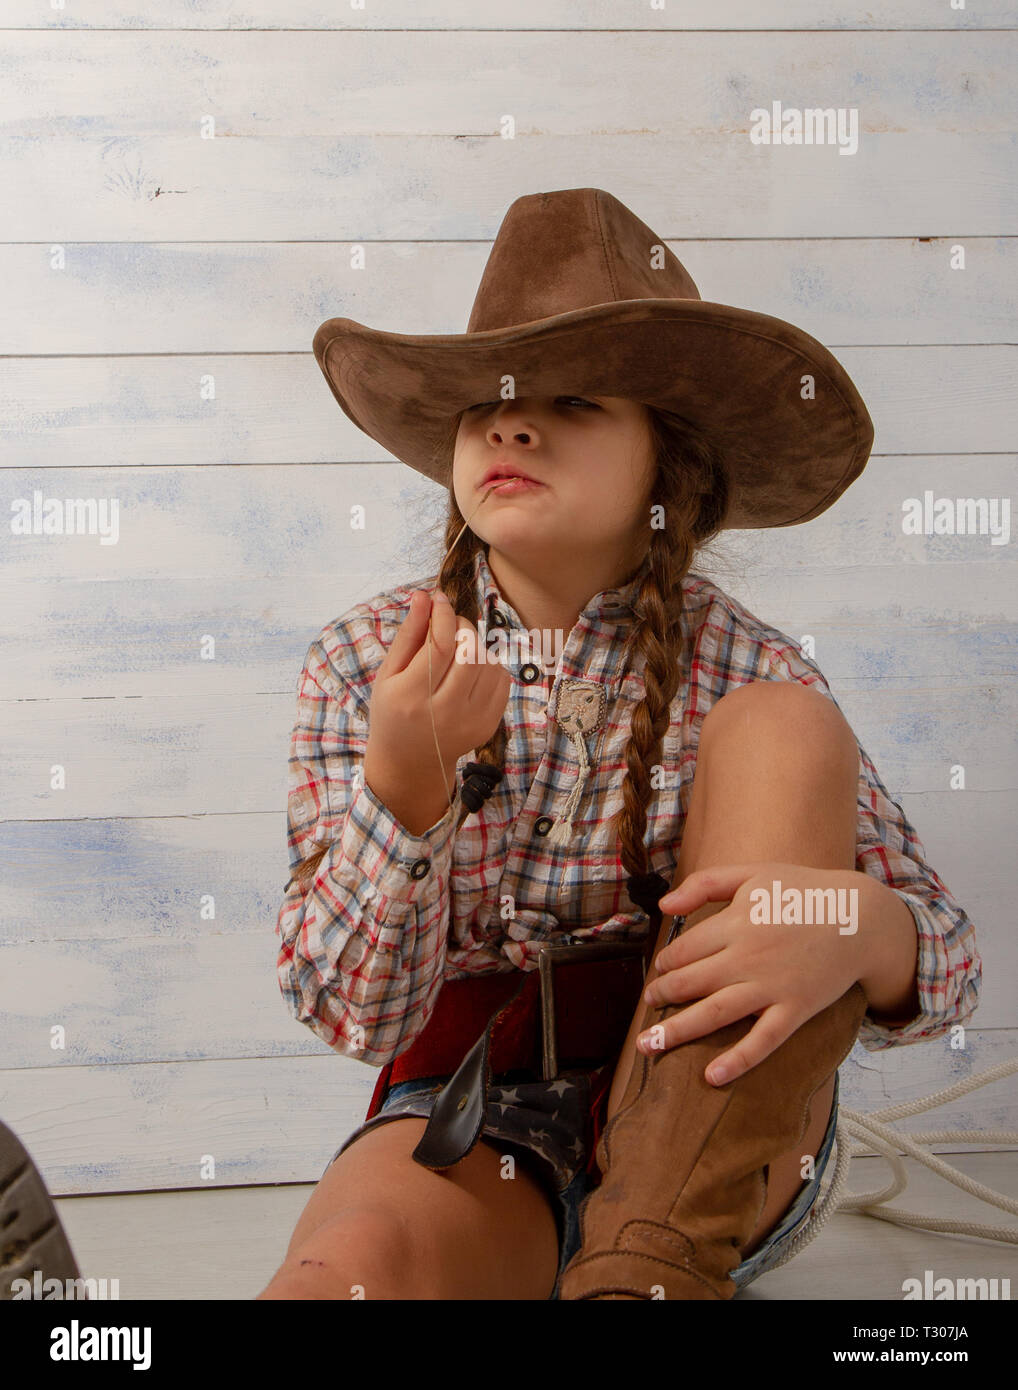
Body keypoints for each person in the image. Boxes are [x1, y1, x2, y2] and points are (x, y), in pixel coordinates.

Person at [257, 188, 981, 1301]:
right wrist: (404, 793)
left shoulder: (748, 666)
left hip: (723, 1126)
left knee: (784, 731)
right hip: (472, 1114)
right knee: (346, 1271)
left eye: (573, 400)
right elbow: (353, 1015)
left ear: (668, 471)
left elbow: (944, 959)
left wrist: (848, 923)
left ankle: (645, 1268)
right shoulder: (368, 662)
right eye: (486, 408)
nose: (509, 423)